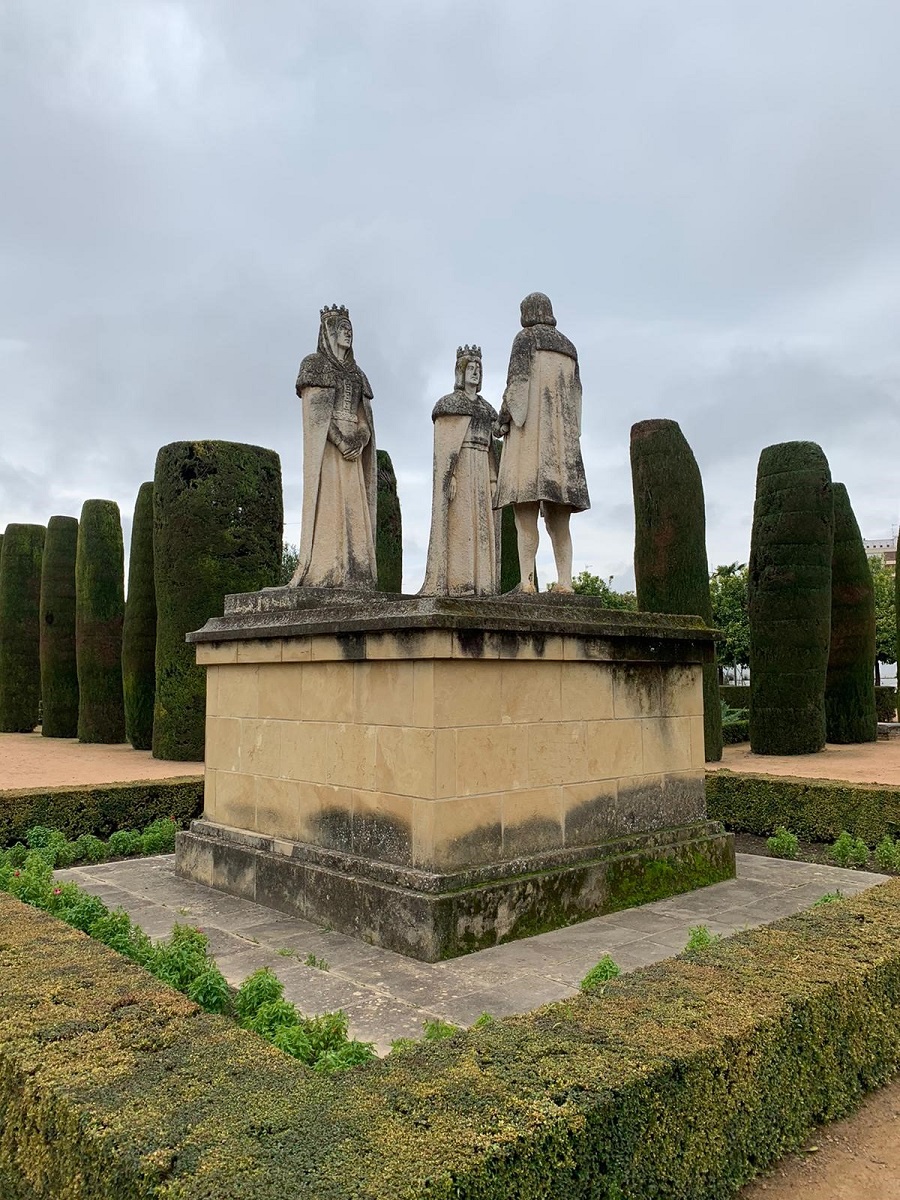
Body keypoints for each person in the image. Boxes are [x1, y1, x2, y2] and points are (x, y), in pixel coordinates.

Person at [495, 292, 590, 592]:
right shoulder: (569, 348)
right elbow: (577, 401)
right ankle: (566, 581)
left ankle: (526, 582)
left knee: (524, 518)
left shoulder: (525, 340)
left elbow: (517, 391)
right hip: (561, 449)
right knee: (560, 523)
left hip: (529, 442)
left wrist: (502, 417)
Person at [290, 305, 378, 589]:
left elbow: (365, 421)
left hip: (354, 450)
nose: (348, 333)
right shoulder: (314, 365)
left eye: (350, 329)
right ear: (328, 331)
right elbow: (316, 418)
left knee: (355, 508)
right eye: (342, 328)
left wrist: (360, 440)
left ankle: (356, 573)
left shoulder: (357, 375)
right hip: (329, 451)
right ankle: (327, 570)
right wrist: (341, 442)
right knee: (330, 505)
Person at [420, 345, 500, 595]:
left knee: (483, 528)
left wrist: (493, 478)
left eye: (478, 369)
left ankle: (483, 584)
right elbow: (446, 448)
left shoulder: (487, 409)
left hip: (481, 469)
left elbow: (493, 444)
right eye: (471, 368)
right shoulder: (450, 404)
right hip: (463, 467)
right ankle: (460, 582)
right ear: (460, 372)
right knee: (461, 525)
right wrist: (450, 474)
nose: (475, 373)